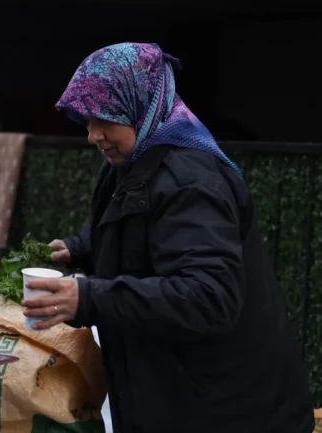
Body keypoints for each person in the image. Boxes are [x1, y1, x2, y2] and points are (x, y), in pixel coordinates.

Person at [21, 42, 314, 433]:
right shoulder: (131, 161)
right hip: (179, 398)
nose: (92, 135)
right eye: (87, 120)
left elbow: (208, 297)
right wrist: (79, 249)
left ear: (139, 105)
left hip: (228, 411)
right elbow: (140, 231)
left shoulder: (191, 180)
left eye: (104, 118)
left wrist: (88, 298)